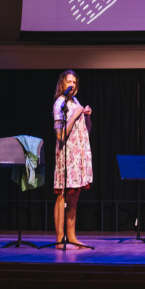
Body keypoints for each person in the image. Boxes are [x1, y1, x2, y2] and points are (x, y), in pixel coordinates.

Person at [52, 70, 93, 248]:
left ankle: (72, 236)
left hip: (78, 156)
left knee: (74, 196)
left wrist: (87, 117)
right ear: (62, 84)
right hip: (66, 155)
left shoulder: (75, 102)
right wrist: (75, 115)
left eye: (75, 82)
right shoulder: (60, 104)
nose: (72, 85)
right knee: (62, 195)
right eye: (69, 81)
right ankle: (60, 239)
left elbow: (86, 131)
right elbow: (60, 135)